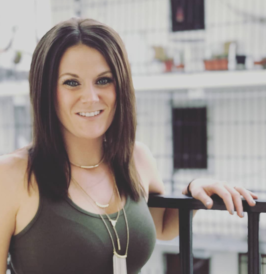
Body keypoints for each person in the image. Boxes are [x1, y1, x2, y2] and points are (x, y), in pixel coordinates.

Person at [0, 18, 258, 274]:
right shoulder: (12, 175)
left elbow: (162, 226)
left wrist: (194, 191)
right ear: (46, 91)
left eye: (103, 80)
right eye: (71, 82)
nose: (90, 97)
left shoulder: (137, 159)